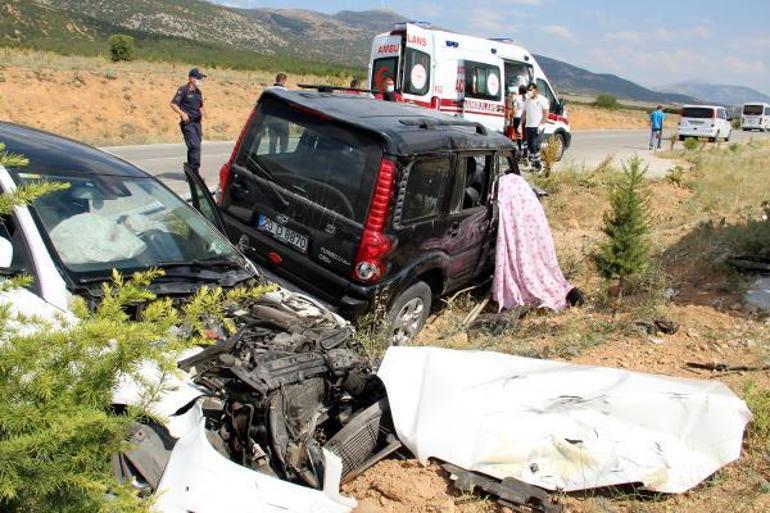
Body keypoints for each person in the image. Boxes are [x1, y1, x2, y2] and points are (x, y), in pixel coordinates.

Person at [170, 68, 206, 175]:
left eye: (201, 78)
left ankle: (190, 173)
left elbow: (200, 106)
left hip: (197, 123)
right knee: (195, 146)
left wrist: (203, 115)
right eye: (198, 78)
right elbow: (173, 104)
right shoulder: (183, 90)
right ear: (191, 78)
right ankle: (195, 174)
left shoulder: (198, 92)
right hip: (188, 123)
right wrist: (182, 114)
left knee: (194, 148)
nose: (200, 80)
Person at [521, 83, 549, 170]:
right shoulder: (527, 100)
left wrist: (541, 125)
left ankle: (539, 166)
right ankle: (534, 165)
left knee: (534, 145)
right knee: (530, 147)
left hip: (538, 127)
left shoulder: (543, 100)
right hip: (528, 126)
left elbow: (546, 114)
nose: (529, 92)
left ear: (536, 90)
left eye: (531, 90)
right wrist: (520, 124)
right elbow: (524, 113)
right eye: (528, 90)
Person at [266, 73, 289, 153]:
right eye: (285, 81)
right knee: (284, 143)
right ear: (283, 80)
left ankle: (271, 159)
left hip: (270, 120)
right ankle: (282, 160)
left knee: (272, 142)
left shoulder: (268, 90)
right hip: (282, 120)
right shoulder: (287, 92)